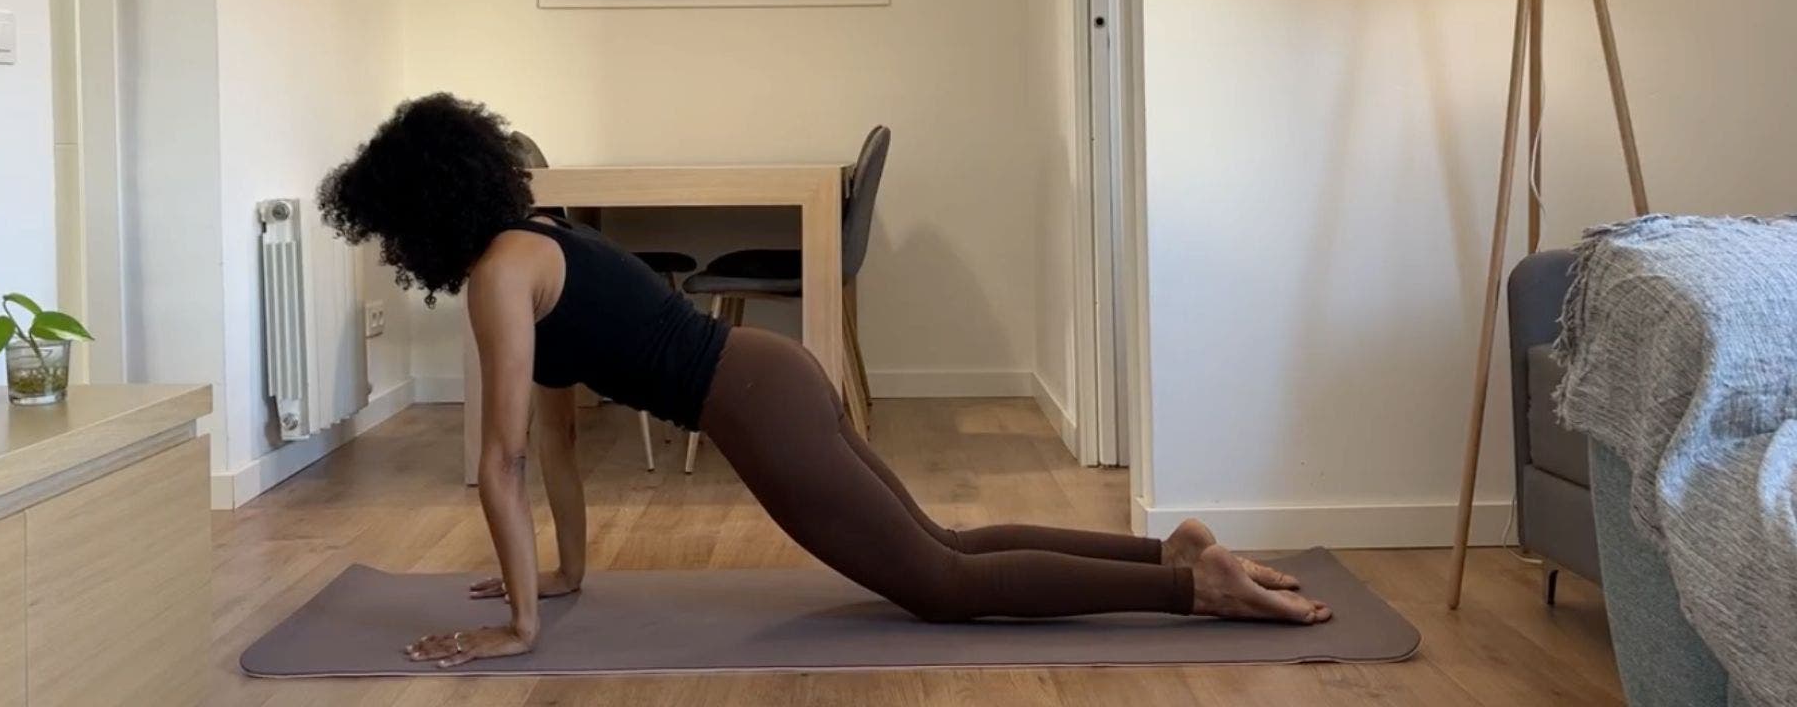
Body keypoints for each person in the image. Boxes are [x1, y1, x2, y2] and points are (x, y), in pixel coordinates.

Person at [317, 94, 1330, 669]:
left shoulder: (500, 277)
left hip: (756, 405)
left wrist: (519, 626)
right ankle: (1171, 548)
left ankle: (1192, 589)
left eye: (389, 227)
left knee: (940, 588)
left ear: (421, 210)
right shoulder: (537, 242)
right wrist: (561, 576)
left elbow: (497, 463)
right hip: (773, 378)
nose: (393, 247)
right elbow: (554, 442)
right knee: (942, 542)